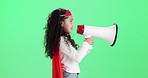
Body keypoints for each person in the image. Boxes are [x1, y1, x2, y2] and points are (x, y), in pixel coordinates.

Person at [44, 8, 94, 78]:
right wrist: (85, 43)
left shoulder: (63, 39)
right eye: (70, 21)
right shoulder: (62, 40)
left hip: (71, 73)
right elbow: (77, 58)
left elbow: (76, 57)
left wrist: (88, 45)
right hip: (69, 74)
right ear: (62, 23)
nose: (73, 24)